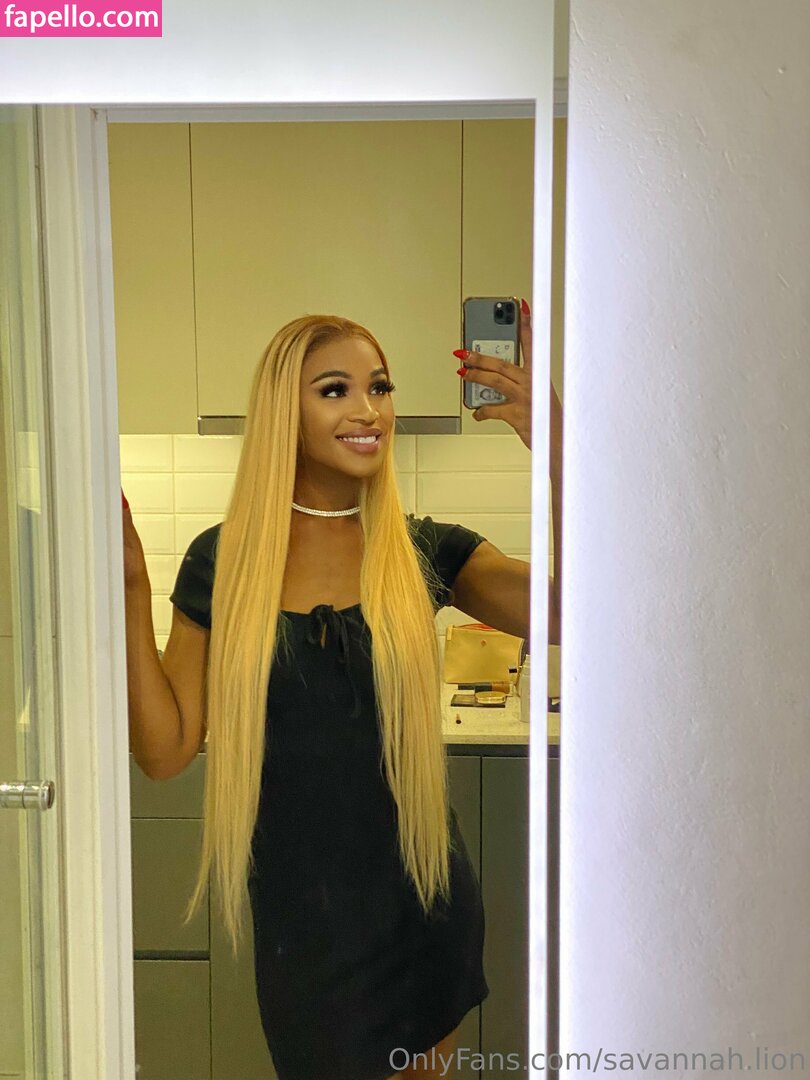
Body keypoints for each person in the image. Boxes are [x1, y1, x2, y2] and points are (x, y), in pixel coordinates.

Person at [123, 300, 562, 1080]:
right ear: (283, 413)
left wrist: (561, 449)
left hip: (420, 918)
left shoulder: (424, 551)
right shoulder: (223, 561)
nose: (369, 410)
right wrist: (128, 585)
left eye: (380, 387)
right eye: (336, 390)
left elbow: (588, 614)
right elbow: (164, 751)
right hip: (302, 936)